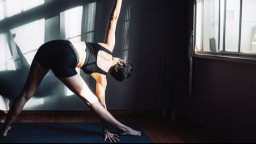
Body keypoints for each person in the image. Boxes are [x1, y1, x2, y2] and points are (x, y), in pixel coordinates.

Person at [0, 0, 141, 142]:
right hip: (65, 60)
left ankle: (5, 129)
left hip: (51, 47)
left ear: (121, 62)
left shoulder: (108, 47)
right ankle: (122, 127)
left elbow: (113, 17)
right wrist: (105, 130)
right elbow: (101, 106)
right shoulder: (101, 78)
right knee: (92, 102)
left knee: (25, 94)